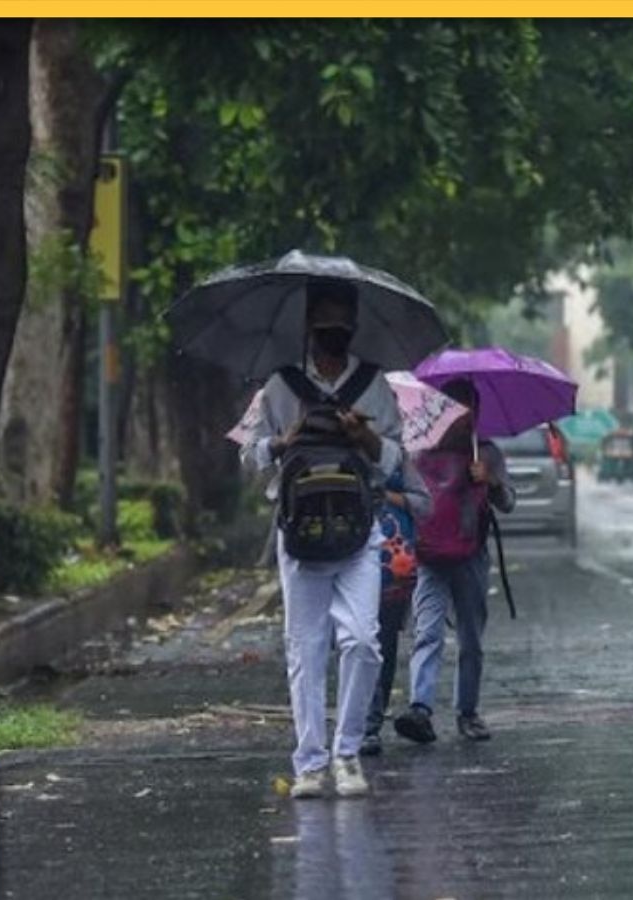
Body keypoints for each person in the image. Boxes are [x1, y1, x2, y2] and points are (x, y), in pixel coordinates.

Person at [239, 278, 406, 799]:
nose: (333, 333)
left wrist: (367, 437)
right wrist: (282, 441)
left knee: (361, 640)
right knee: (306, 650)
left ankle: (347, 753)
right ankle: (310, 763)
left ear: (352, 327)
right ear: (308, 327)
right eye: (324, 324)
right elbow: (248, 458)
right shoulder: (279, 387)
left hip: (360, 534)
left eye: (342, 324)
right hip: (299, 536)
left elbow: (399, 459)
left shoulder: (374, 387)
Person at [394, 378, 516, 744]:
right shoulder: (417, 451)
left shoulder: (488, 453)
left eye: (467, 409)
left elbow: (508, 502)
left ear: (477, 413)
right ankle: (421, 709)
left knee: (471, 639)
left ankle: (468, 712)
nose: (460, 417)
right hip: (429, 555)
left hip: (470, 556)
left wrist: (491, 481)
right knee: (427, 632)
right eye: (453, 407)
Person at [360, 463, 431, 757]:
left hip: (393, 567)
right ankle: (365, 724)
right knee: (359, 640)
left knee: (384, 645)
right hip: (348, 556)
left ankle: (371, 722)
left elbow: (423, 503)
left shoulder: (399, 457)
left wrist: (390, 496)